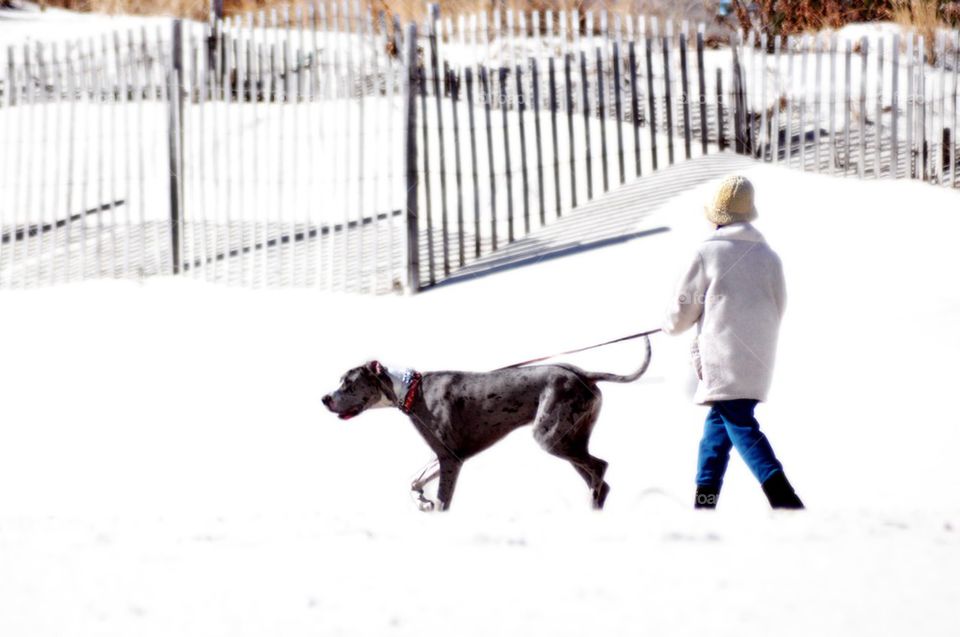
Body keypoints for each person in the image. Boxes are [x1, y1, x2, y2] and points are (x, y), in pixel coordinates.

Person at [663, 175, 803, 510]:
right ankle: (704, 503)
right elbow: (779, 305)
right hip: (758, 356)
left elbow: (683, 309)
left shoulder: (707, 253)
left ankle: (785, 499)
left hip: (720, 357)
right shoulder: (769, 256)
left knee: (740, 425)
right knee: (718, 430)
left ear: (716, 216)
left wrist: (668, 325)